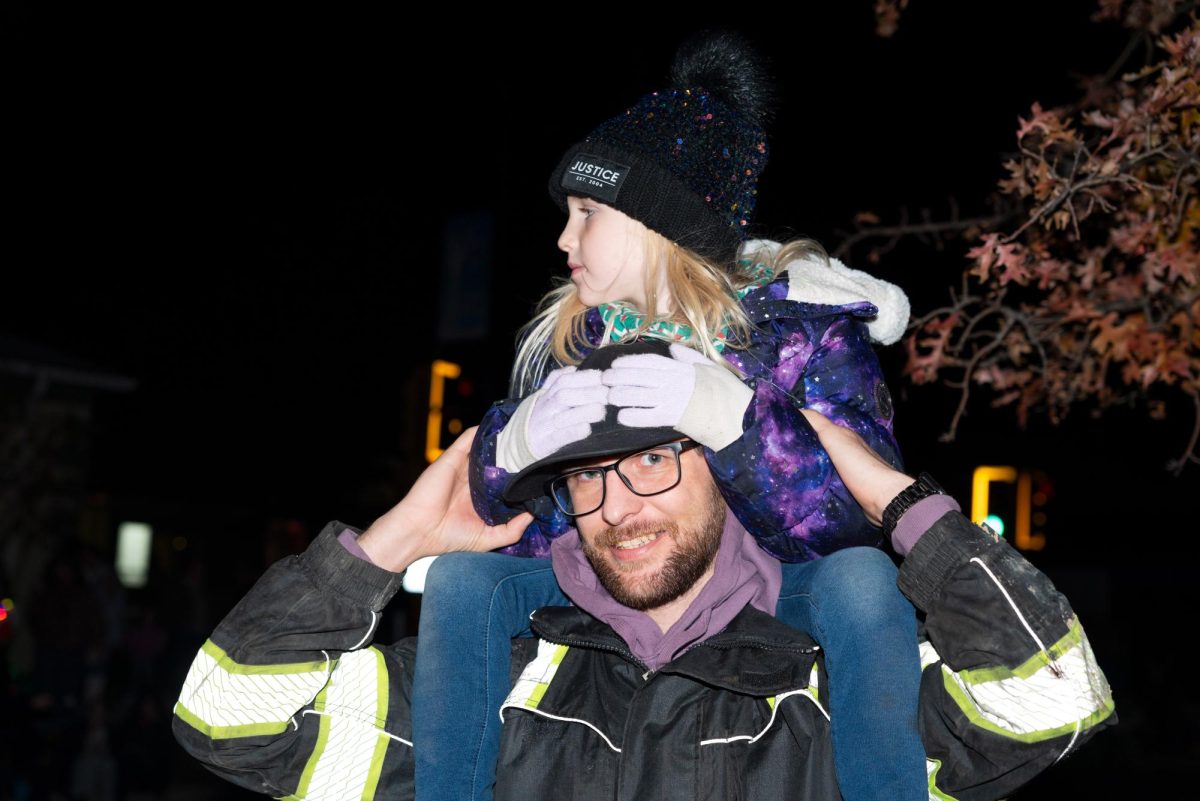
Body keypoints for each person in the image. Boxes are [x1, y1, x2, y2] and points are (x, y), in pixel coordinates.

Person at [171, 343, 1115, 800]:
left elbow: (1054, 698)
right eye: (588, 475)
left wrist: (899, 507)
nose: (620, 505)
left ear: (724, 472)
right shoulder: (495, 678)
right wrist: (391, 542)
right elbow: (227, 719)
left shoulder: (840, 680)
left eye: (656, 460)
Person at [419, 30, 918, 801]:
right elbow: (501, 520)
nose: (564, 236)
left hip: (770, 586)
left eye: (588, 211)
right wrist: (508, 453)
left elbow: (864, 514)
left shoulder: (803, 331)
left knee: (861, 583)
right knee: (461, 582)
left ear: (660, 223)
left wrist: (739, 425)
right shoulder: (578, 339)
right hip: (619, 576)